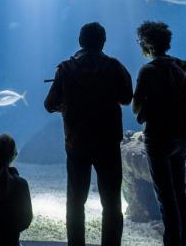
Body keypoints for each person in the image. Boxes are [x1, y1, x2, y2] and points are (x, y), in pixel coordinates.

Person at [44, 22, 133, 246]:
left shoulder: (65, 68)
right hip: (108, 143)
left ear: (80, 41)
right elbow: (127, 98)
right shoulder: (115, 67)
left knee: (75, 201)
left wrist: (65, 104)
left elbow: (49, 104)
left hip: (77, 143)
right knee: (112, 202)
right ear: (103, 41)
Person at [132, 21, 186, 246]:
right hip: (182, 137)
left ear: (147, 43)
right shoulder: (182, 66)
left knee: (165, 197)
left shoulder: (148, 70)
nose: (140, 45)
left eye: (141, 42)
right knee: (180, 193)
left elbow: (136, 105)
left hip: (158, 138)